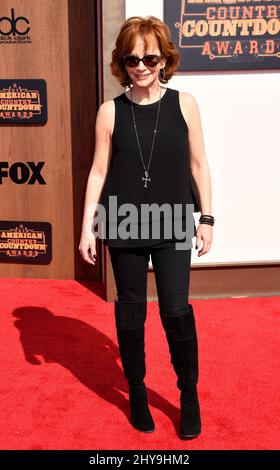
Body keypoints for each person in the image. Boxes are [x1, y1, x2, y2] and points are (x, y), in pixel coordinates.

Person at [79, 16, 214, 439]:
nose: (140, 65)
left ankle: (187, 395)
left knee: (176, 311)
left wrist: (206, 218)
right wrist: (87, 228)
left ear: (163, 60)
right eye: (131, 58)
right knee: (131, 314)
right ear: (122, 62)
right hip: (122, 220)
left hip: (173, 218)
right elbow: (98, 172)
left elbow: (198, 164)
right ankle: (137, 392)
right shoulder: (109, 111)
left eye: (149, 57)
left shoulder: (185, 103)